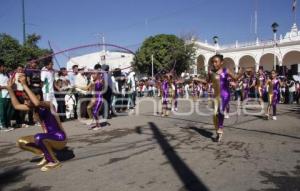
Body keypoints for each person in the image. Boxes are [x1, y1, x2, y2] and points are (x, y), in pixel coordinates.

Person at [7, 73, 67, 172]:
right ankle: (47, 154)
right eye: (24, 99)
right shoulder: (33, 107)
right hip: (47, 137)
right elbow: (16, 106)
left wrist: (24, 84)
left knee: (39, 137)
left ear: (38, 96)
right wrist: (10, 89)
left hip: (60, 138)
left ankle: (53, 161)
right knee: (21, 142)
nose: (25, 102)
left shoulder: (48, 105)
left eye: (27, 99)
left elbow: (37, 103)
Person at [194, 54, 243, 142]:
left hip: (225, 94)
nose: (214, 63)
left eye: (216, 62)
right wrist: (196, 79)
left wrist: (241, 72)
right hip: (216, 95)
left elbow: (235, 78)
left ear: (221, 62)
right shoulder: (210, 72)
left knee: (220, 110)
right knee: (214, 115)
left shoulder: (226, 70)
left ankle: (220, 127)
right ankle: (218, 133)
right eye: (213, 62)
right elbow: (206, 81)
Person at [25, 61, 42, 125]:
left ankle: (38, 120)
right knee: (31, 105)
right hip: (32, 89)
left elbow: (40, 79)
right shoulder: (28, 70)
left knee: (38, 104)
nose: (34, 64)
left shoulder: (38, 71)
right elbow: (28, 80)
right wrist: (30, 87)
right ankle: (31, 121)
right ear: (30, 64)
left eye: (35, 63)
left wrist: (40, 85)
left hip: (38, 89)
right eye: (33, 63)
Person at [0, 63, 14, 131]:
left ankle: (8, 124)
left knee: (9, 112)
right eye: (2, 67)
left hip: (9, 95)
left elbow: (10, 83)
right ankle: (3, 125)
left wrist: (11, 82)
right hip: (2, 95)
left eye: (4, 67)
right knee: (3, 111)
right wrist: (6, 87)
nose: (4, 68)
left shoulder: (7, 75)